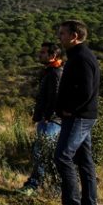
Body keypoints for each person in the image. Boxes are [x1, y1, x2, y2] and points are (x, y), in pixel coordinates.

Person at [48, 19, 100, 205]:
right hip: (84, 116)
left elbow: (86, 91)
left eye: (62, 33)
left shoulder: (81, 58)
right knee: (85, 161)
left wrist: (70, 109)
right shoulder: (80, 56)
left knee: (62, 156)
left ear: (74, 36)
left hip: (78, 117)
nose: (59, 37)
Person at [20, 42, 63, 194]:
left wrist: (47, 116)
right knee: (43, 153)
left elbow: (56, 97)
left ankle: (34, 186)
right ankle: (46, 186)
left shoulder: (55, 73)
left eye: (43, 52)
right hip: (48, 119)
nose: (40, 55)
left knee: (42, 153)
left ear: (53, 55)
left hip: (51, 121)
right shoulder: (49, 72)